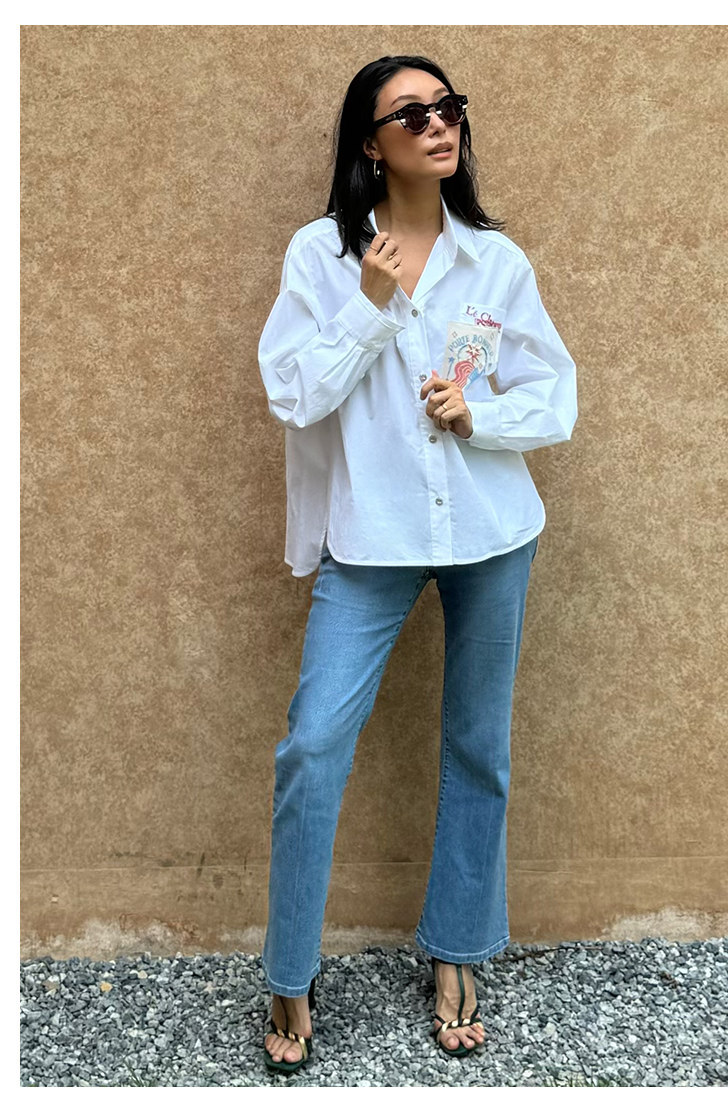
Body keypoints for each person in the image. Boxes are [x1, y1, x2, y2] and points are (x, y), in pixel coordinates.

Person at [256, 54, 577, 1073]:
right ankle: (290, 968)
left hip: (492, 531)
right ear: (370, 142)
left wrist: (480, 417)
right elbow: (291, 394)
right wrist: (368, 303)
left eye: (448, 108)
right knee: (313, 745)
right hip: (372, 537)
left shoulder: (496, 261)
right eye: (411, 114)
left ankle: (458, 950)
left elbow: (554, 394)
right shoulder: (321, 254)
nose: (438, 124)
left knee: (479, 746)